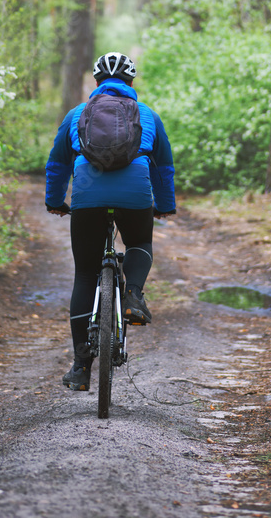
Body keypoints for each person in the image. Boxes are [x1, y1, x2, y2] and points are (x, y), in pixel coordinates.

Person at [45, 51, 176, 391]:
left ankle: (80, 367)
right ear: (131, 83)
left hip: (87, 198)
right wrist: (164, 206)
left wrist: (55, 201)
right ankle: (132, 294)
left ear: (97, 82)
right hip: (135, 197)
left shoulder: (76, 115)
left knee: (86, 273)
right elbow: (163, 168)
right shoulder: (147, 115)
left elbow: (57, 163)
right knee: (139, 243)